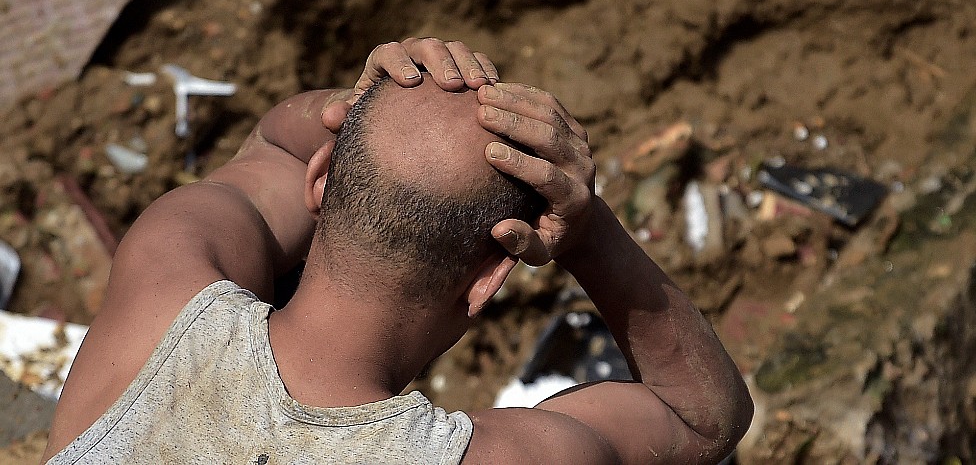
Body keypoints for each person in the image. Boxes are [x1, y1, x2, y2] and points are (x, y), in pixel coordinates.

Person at [42, 38, 753, 464]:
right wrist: (588, 228)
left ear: (322, 180)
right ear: (487, 279)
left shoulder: (164, 281)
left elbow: (273, 144)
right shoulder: (498, 457)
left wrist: (362, 104)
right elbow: (703, 416)